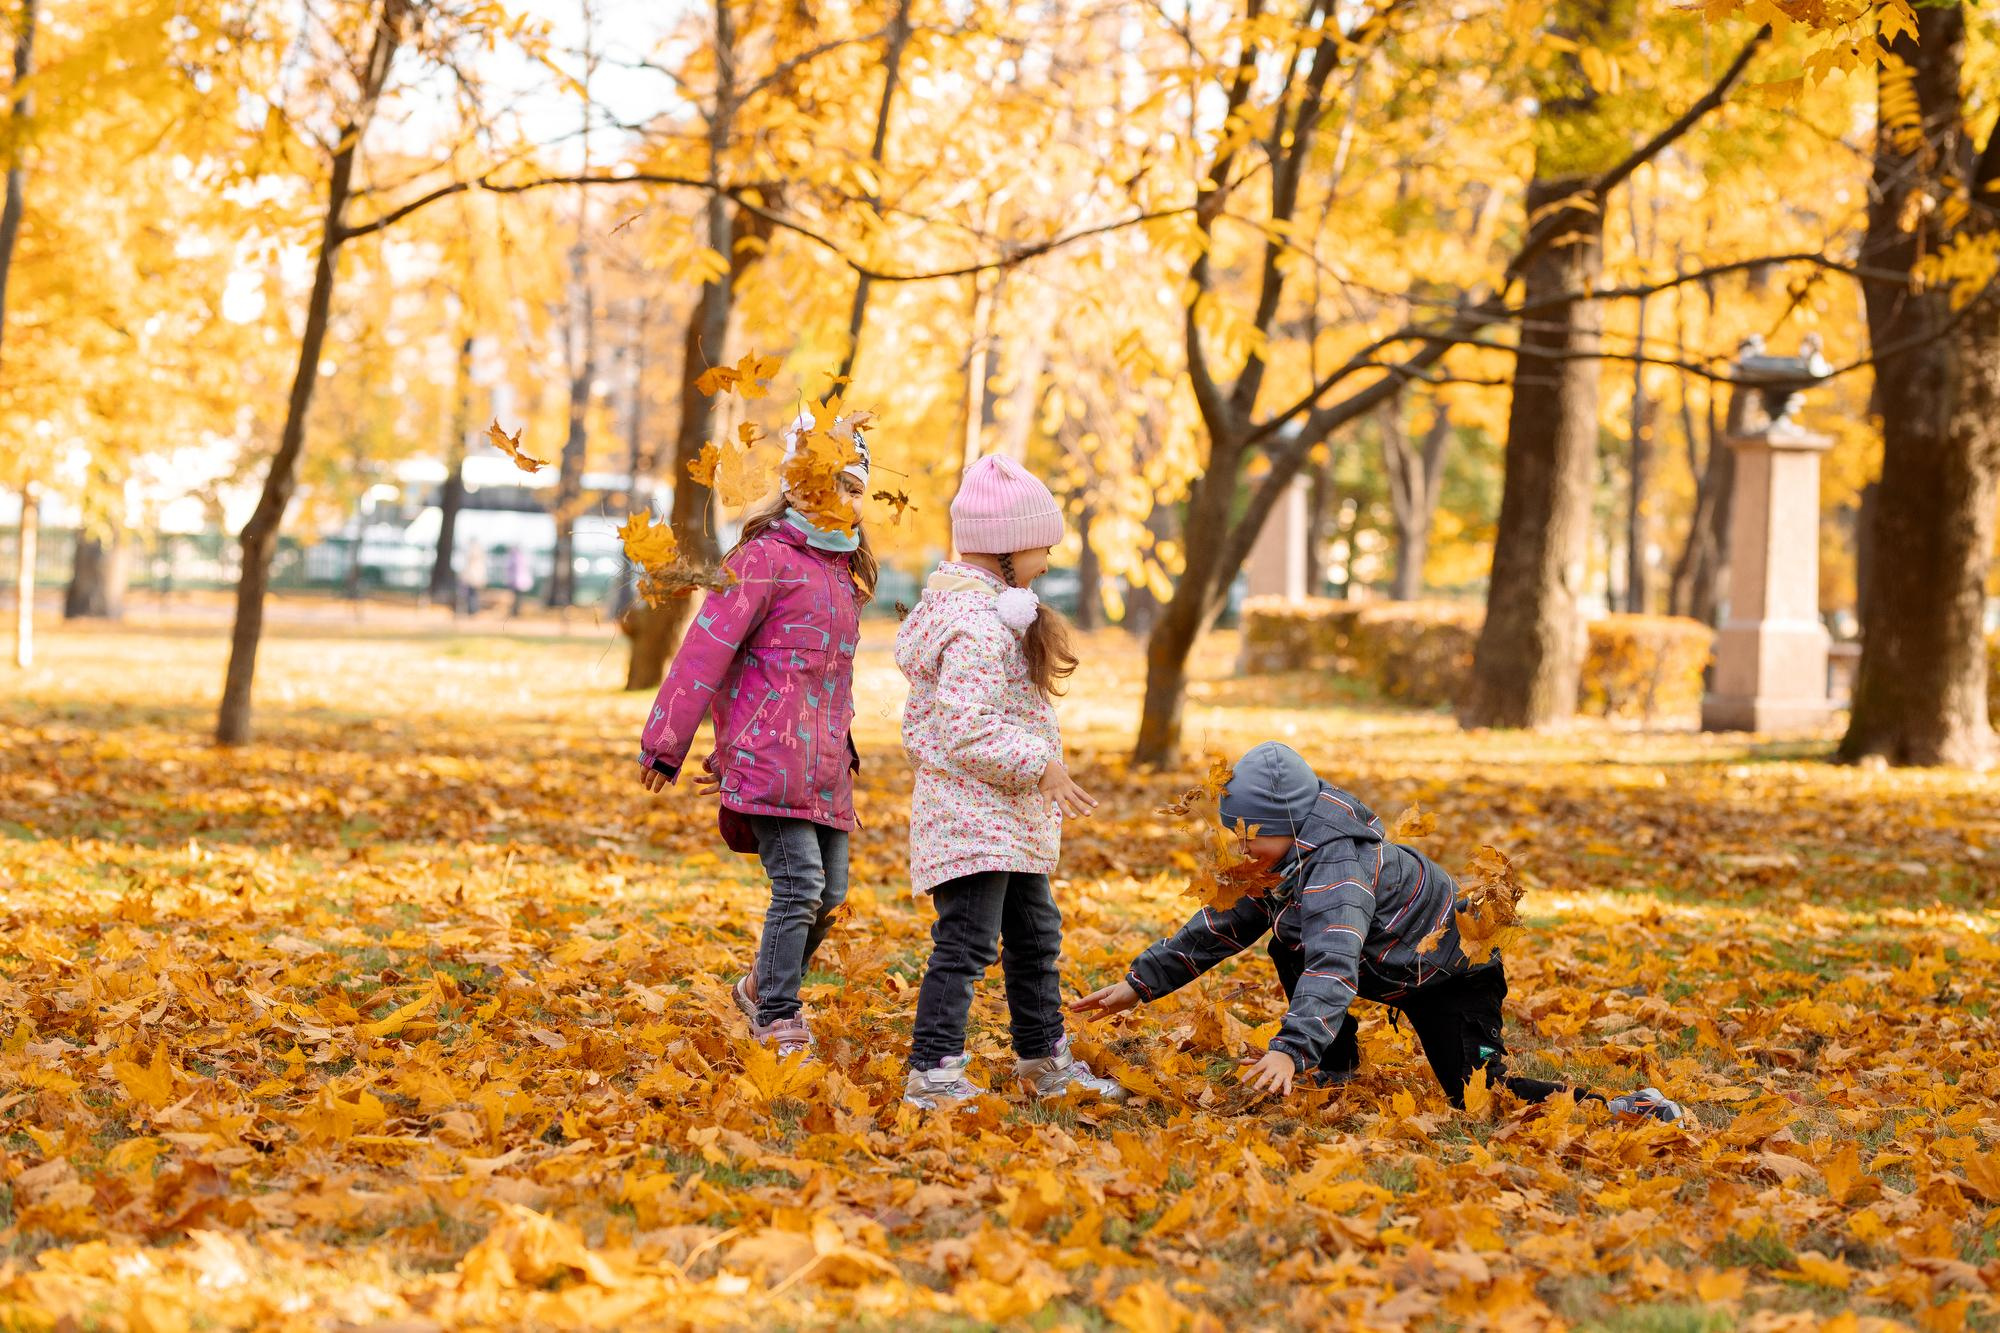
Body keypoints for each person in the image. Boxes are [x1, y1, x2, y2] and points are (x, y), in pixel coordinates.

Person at [1073, 741, 1684, 1122]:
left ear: (1285, 824)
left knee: (1480, 1096)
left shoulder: (1339, 868)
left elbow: (1334, 964)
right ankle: (1334, 1063)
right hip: (1387, 961)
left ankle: (1632, 1110)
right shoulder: (1283, 855)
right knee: (1288, 934)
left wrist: (1288, 1048)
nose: (1240, 846)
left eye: (1248, 834)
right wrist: (1140, 984)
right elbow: (1224, 921)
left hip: (1449, 976)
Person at [636, 412, 876, 1059]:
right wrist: (667, 741)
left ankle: (756, 983)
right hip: (766, 759)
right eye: (826, 483)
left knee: (831, 894)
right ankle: (777, 1012)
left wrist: (844, 748)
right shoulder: (762, 558)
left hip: (823, 766)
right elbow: (704, 650)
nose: (840, 499)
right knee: (798, 883)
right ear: (795, 484)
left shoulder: (843, 575)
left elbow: (830, 681)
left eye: (852, 487)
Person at [898, 455, 1126, 1109]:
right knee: (966, 942)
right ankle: (932, 1071)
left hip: (1008, 820)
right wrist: (1041, 764)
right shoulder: (976, 624)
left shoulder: (995, 612)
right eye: (1043, 545)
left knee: (1035, 937)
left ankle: (1041, 1059)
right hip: (973, 818)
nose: (1050, 559)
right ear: (1005, 547)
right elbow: (965, 727)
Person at [461, 543, 489, 618]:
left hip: (472, 578)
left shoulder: (474, 561)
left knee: (472, 595)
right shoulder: (480, 559)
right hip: (474, 579)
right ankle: (473, 610)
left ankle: (472, 611)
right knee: (473, 595)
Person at [506, 545, 533, 618]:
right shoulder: (522, 558)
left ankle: (515, 611)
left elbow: (510, 569)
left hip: (517, 581)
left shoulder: (514, 558)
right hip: (522, 582)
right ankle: (516, 611)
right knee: (519, 598)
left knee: (516, 597)